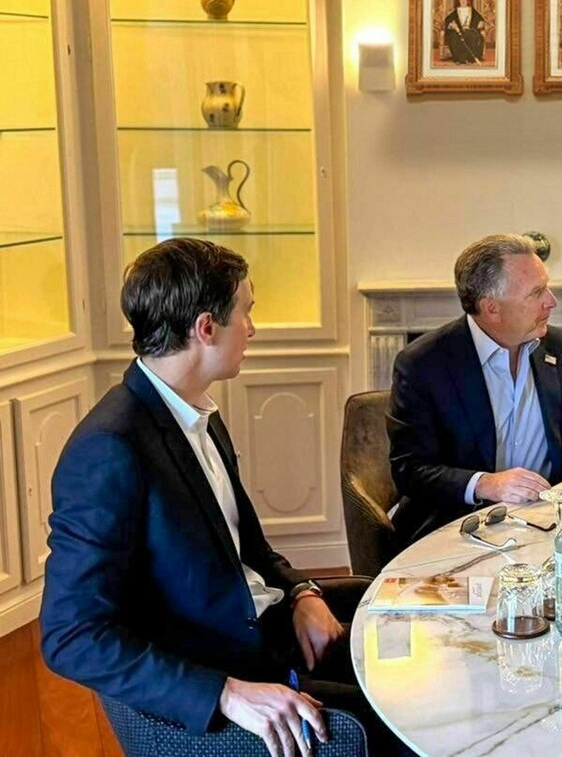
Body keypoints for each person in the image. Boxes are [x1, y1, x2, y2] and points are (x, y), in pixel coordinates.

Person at [40, 239, 401, 757]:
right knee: (411, 725)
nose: (252, 328)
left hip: (268, 631)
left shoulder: (198, 414)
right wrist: (226, 695)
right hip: (229, 669)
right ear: (206, 328)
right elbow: (70, 635)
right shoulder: (108, 449)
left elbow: (248, 551)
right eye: (246, 312)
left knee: (417, 651)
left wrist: (302, 594)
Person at [388, 234, 562, 547]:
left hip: (552, 519)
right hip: (461, 526)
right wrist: (486, 484)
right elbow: (410, 470)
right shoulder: (425, 363)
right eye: (536, 292)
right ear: (492, 308)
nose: (552, 301)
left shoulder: (558, 345)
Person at [442, 0, 486, 64]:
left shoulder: (473, 11)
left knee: (472, 35)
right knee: (454, 37)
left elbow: (481, 20)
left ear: (468, 0)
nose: (463, 1)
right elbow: (447, 21)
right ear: (459, 1)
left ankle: (470, 58)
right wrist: (452, 25)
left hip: (470, 31)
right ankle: (460, 59)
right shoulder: (454, 12)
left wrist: (481, 23)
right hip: (458, 32)